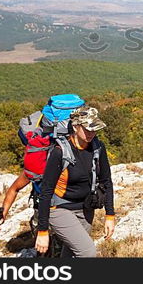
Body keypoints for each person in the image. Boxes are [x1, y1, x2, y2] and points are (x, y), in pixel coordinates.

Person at [35, 106, 116, 257]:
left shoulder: (98, 147)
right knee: (87, 252)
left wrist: (110, 215)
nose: (92, 133)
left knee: (71, 252)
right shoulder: (60, 152)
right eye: (87, 129)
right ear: (75, 126)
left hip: (86, 207)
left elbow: (107, 181)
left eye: (95, 129)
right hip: (59, 209)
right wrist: (42, 230)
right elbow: (45, 192)